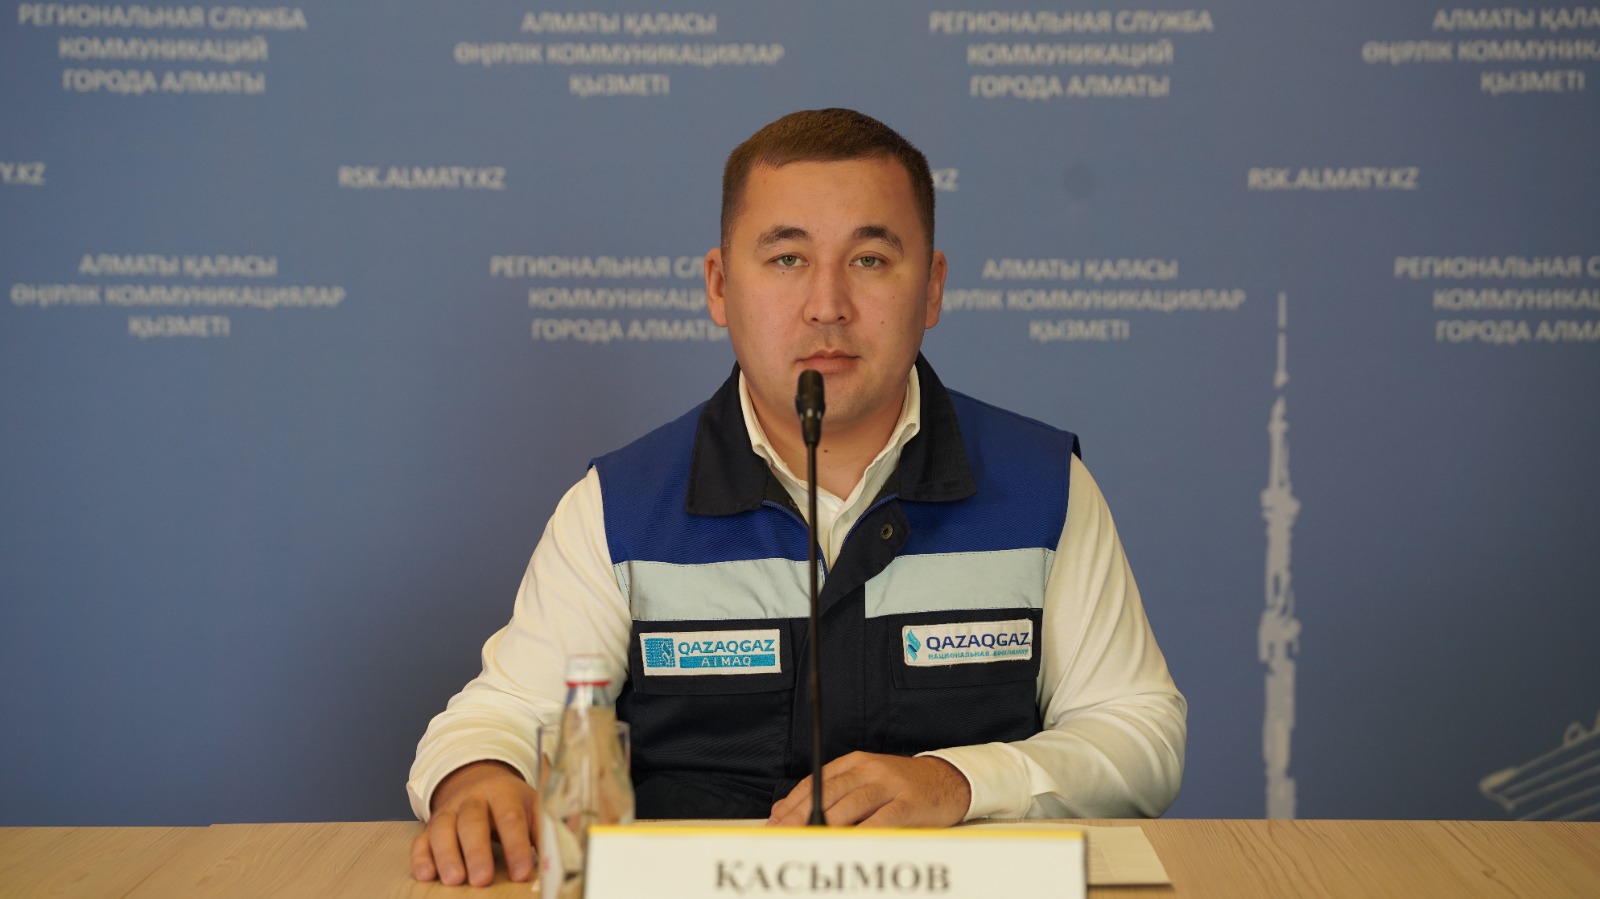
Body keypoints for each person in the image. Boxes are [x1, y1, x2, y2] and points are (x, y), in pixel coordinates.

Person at [408, 108, 1186, 887]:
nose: (827, 304)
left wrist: (961, 780)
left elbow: (1140, 733)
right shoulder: (622, 507)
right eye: (786, 258)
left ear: (932, 288)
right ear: (720, 286)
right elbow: (499, 716)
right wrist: (480, 778)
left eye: (871, 259)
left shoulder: (1043, 487)